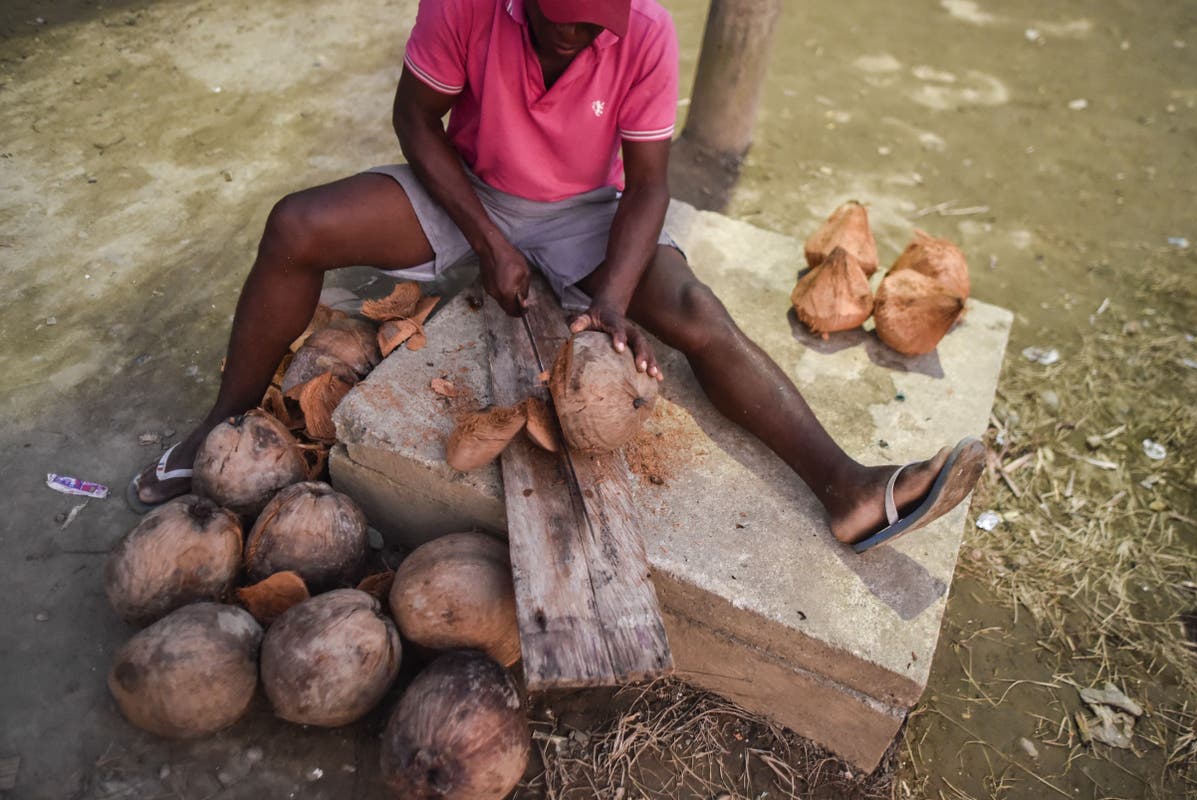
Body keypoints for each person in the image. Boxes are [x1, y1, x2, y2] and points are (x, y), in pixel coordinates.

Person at [129, 0, 985, 553]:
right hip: (467, 187)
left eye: (598, 23)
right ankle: (222, 423)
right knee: (295, 224)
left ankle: (849, 489)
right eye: (568, 21)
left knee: (695, 313)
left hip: (587, 211)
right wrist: (488, 240)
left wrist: (609, 300)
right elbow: (414, 120)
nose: (586, 38)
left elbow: (649, 182)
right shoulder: (464, 5)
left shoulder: (641, 28)